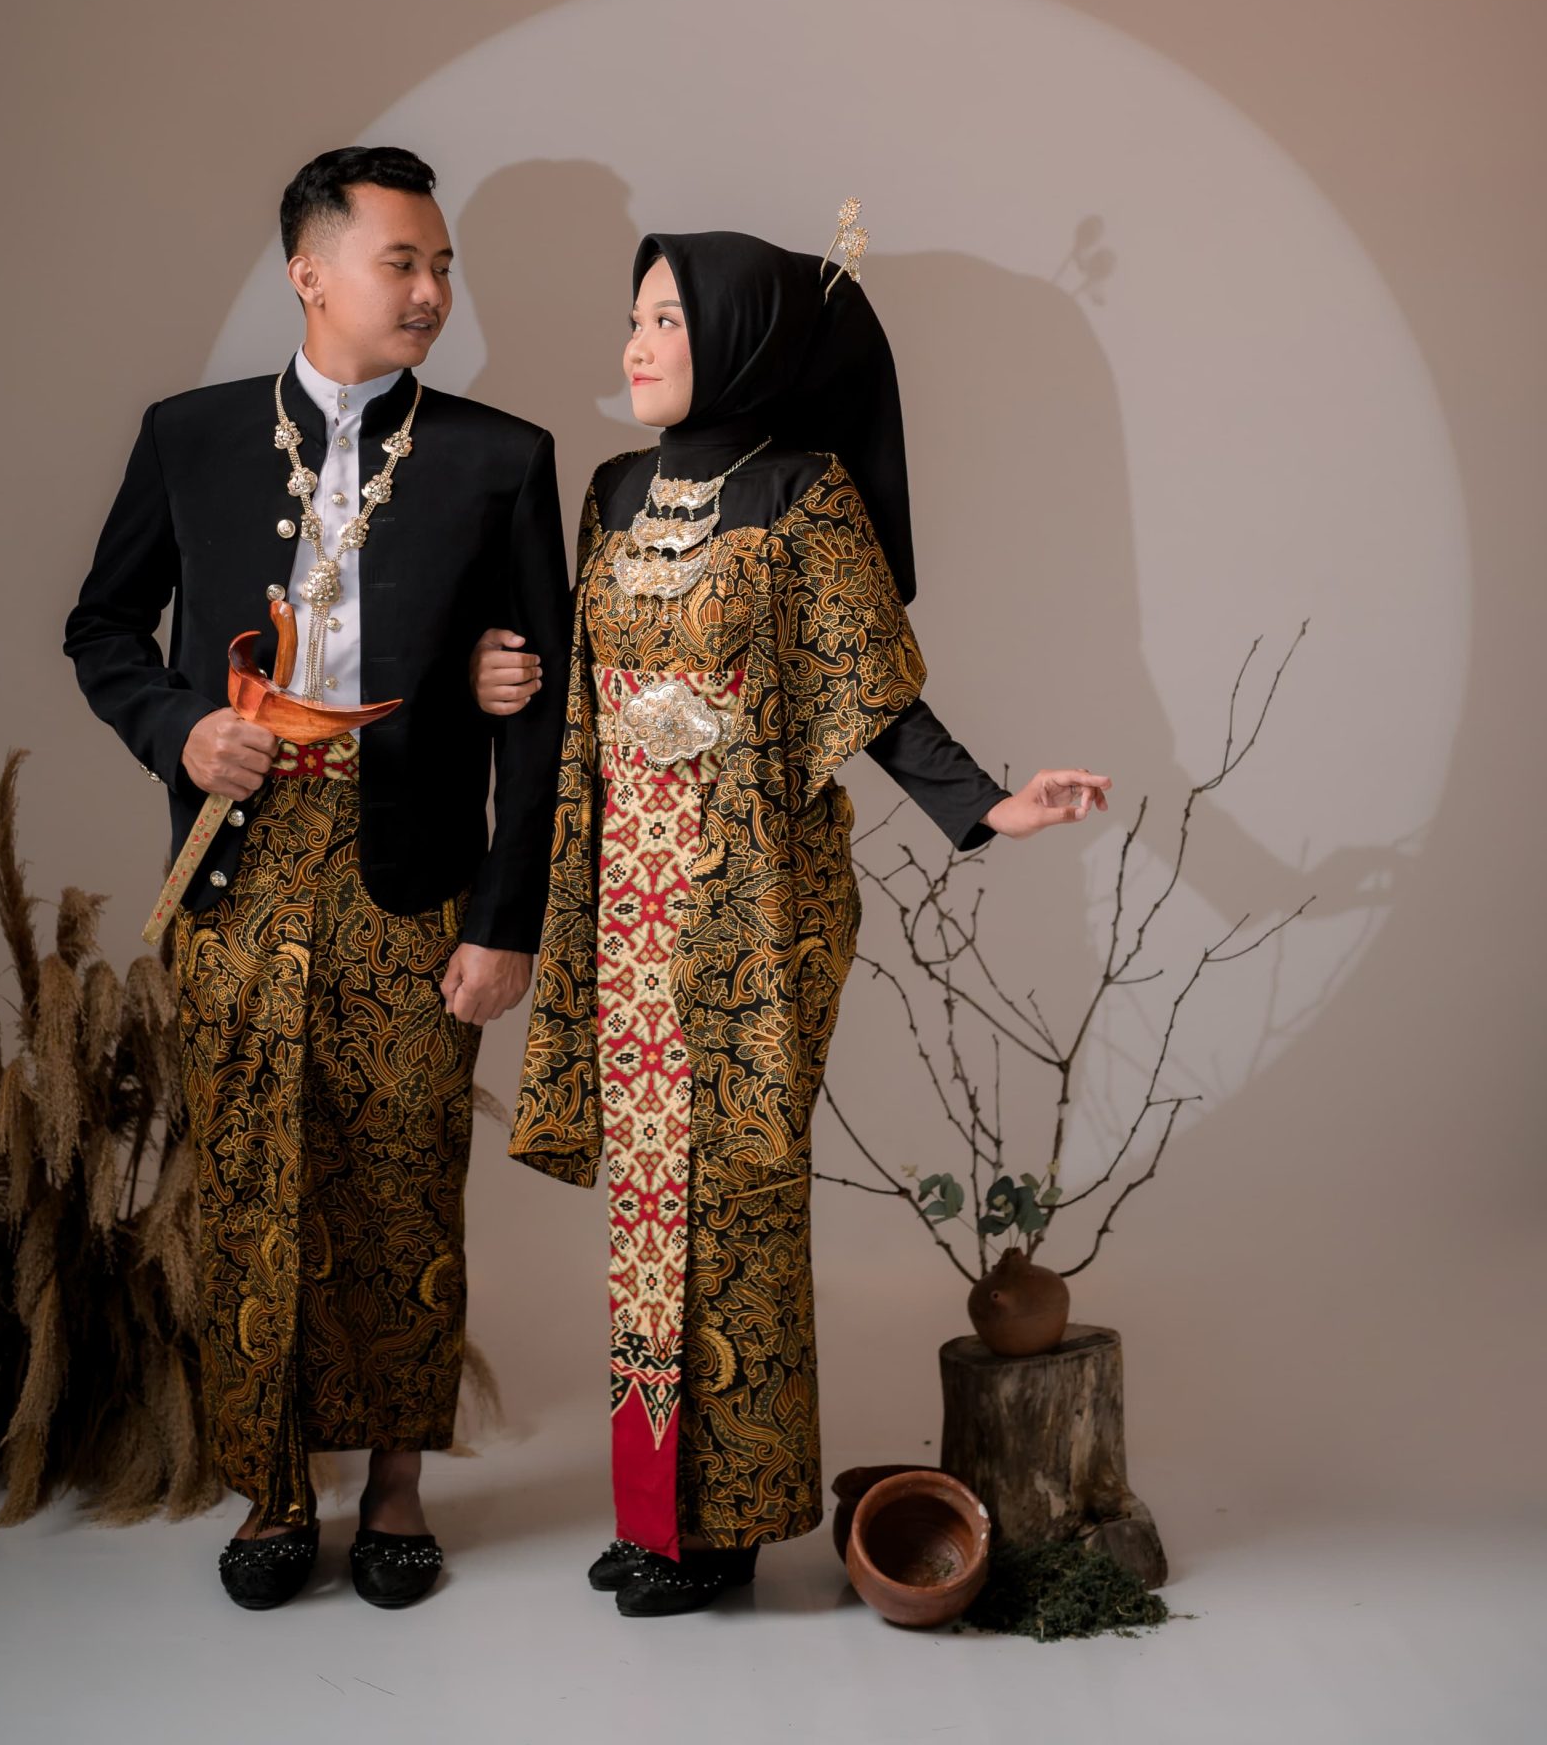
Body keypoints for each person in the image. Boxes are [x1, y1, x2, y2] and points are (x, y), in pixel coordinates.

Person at [478, 219, 1109, 1618]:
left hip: (751, 913)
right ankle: (655, 1510)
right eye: (635, 318)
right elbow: (576, 686)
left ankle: (728, 1526)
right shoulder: (611, 492)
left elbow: (871, 692)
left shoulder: (802, 498)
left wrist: (993, 806)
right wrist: (494, 678)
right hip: (627, 909)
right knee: (651, 1211)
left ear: (741, 335)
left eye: (668, 319)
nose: (639, 344)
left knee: (738, 1206)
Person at [65, 145, 568, 1611]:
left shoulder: (500, 456)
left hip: (412, 874)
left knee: (408, 1180)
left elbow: (542, 718)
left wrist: (506, 921)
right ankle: (272, 1488)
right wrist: (180, 729)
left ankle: (398, 1484)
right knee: (250, 1182)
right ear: (310, 272)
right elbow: (103, 630)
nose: (430, 291)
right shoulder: (191, 436)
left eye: (442, 265)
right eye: (401, 262)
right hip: (240, 869)